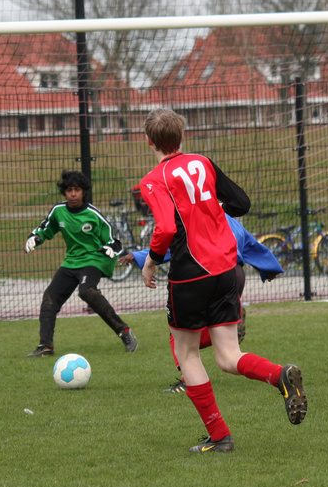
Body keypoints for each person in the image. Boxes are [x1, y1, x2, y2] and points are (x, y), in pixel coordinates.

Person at [139, 107, 306, 453]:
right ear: (181, 136)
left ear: (149, 141)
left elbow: (166, 228)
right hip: (228, 268)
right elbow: (241, 203)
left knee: (187, 354)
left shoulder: (154, 179)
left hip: (190, 274)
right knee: (228, 355)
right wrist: (210, 211)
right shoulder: (203, 163)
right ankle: (279, 374)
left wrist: (151, 262)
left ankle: (219, 436)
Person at [118, 212, 284, 393]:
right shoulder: (230, 220)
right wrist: (270, 266)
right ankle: (235, 326)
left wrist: (140, 256)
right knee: (221, 335)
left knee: (179, 332)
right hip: (235, 275)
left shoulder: (198, 217)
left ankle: (188, 379)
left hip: (207, 273)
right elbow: (251, 245)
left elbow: (173, 245)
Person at [23, 170, 138, 357]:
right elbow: (44, 229)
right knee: (50, 298)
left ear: (84, 191)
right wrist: (35, 238)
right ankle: (45, 346)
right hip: (72, 261)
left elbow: (114, 241)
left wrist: (111, 248)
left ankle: (124, 331)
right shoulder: (58, 211)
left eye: (77, 190)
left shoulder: (93, 214)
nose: (73, 194)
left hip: (94, 259)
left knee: (86, 291)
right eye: (69, 190)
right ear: (64, 192)